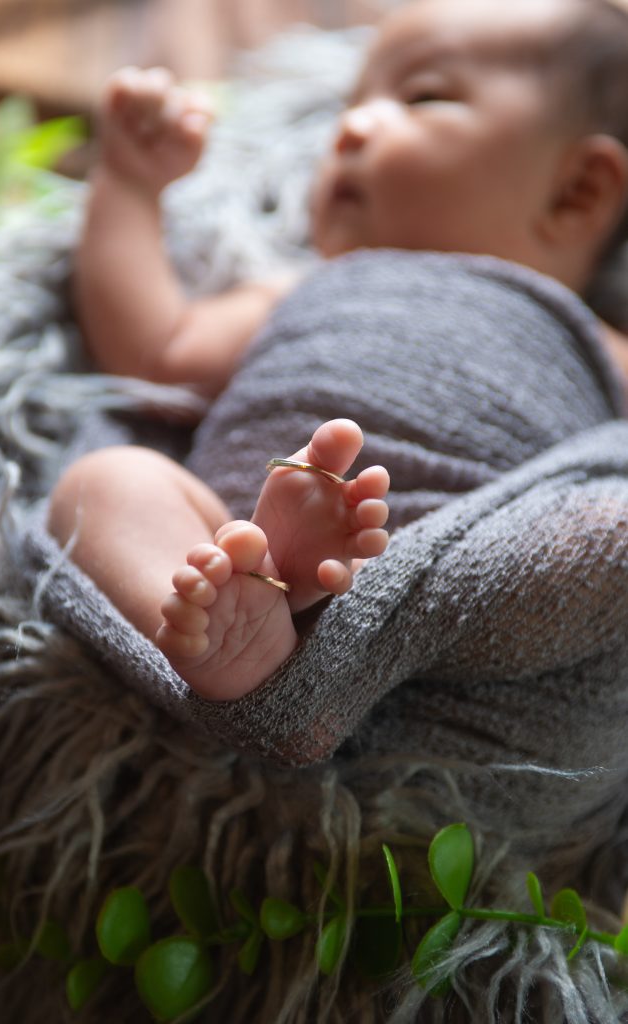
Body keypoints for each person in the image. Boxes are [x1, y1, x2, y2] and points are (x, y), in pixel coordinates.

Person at [48, 0, 628, 707]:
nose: (349, 129)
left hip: (465, 573)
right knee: (105, 482)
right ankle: (220, 644)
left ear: (578, 192)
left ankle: (303, 656)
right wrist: (129, 184)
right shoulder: (305, 287)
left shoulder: (580, 333)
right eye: (350, 105)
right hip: (239, 551)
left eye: (423, 97)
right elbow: (154, 353)